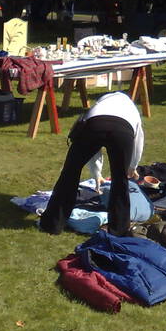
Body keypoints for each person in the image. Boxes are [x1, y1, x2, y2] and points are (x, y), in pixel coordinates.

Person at [40, 90, 143, 237]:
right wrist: (132, 166)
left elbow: (92, 149)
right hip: (122, 131)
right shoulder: (131, 109)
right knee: (120, 181)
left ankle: (52, 224)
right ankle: (119, 230)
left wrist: (96, 173)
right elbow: (138, 141)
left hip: (94, 125)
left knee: (70, 173)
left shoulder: (98, 105)